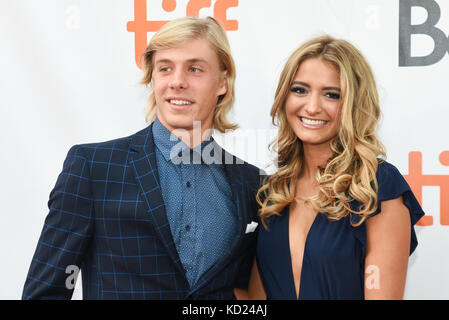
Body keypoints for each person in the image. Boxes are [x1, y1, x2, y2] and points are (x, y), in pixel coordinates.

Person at [22, 16, 261, 300]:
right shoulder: (93, 168)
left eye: (195, 69)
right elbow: (46, 291)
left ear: (222, 81)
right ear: (152, 77)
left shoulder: (250, 183)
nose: (177, 82)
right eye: (165, 68)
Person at [235, 35, 425, 300]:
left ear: (354, 104)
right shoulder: (272, 194)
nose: (312, 107)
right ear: (284, 97)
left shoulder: (378, 187)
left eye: (331, 95)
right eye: (300, 90)